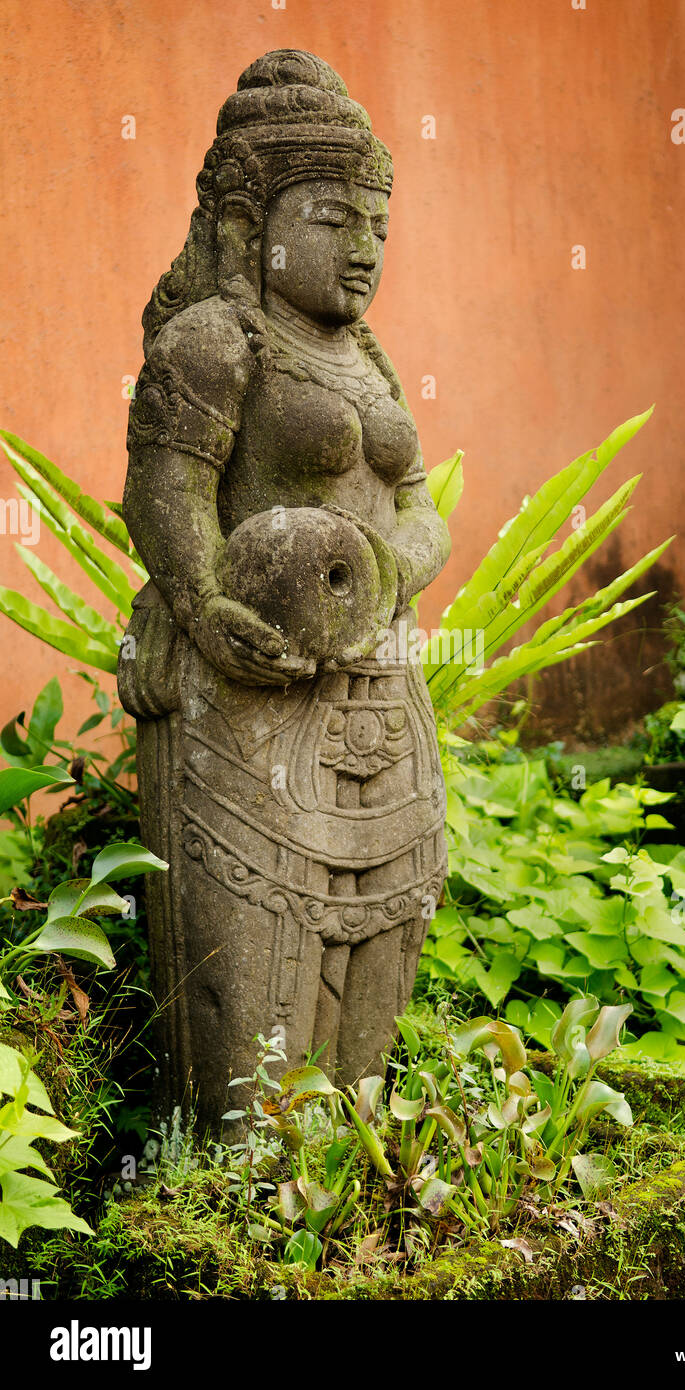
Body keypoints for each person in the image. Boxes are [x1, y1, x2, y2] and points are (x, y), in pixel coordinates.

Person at [119, 50, 450, 1131]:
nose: (362, 252)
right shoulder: (216, 340)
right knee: (254, 1041)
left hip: (380, 700)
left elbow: (423, 508)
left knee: (371, 1001)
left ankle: (347, 1201)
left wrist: (397, 562)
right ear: (249, 217)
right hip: (249, 706)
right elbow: (163, 496)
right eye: (329, 219)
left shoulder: (370, 360)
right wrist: (205, 605)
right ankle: (240, 1216)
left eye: (377, 229)